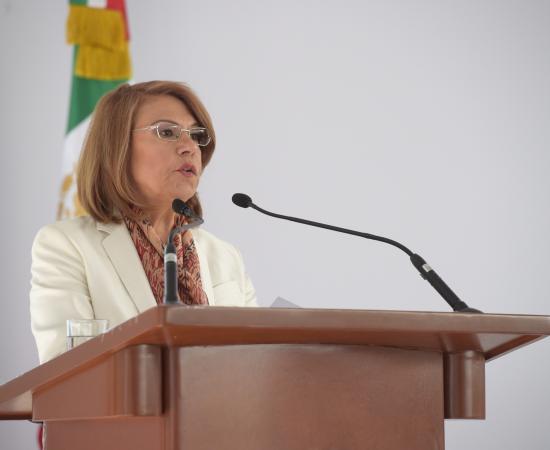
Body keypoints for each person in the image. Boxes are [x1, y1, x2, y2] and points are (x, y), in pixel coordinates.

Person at [30, 81, 257, 364]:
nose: (189, 147)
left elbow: (257, 363)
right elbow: (67, 369)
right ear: (117, 147)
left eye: (196, 135)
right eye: (167, 132)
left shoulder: (225, 256)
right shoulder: (67, 246)